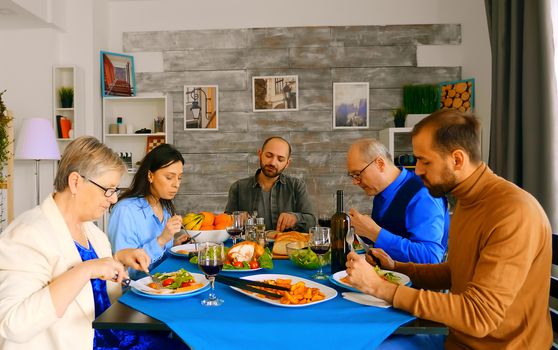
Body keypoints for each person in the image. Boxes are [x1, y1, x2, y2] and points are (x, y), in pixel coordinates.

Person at [344, 110, 552, 349]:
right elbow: (456, 272)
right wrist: (396, 268)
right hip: (455, 339)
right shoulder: (467, 200)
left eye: (425, 161)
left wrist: (381, 287)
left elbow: (479, 315)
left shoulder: (513, 212)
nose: (417, 170)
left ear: (457, 159)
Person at [0, 136, 187, 349]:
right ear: (76, 182)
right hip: (82, 342)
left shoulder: (91, 232)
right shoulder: (25, 236)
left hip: (108, 334)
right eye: (108, 189)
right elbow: (14, 325)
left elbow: (96, 288)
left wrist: (119, 259)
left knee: (184, 338)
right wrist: (85, 270)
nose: (113, 199)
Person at [346, 138, 449, 263]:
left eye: (358, 174)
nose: (355, 182)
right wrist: (363, 229)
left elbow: (431, 257)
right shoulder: (382, 190)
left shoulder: (423, 194)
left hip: (416, 282)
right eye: (352, 176)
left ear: (380, 164)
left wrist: (374, 232)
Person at [108, 143, 188, 279]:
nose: (176, 184)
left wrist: (173, 246)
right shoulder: (125, 211)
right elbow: (124, 269)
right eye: (169, 177)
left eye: (179, 177)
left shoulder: (165, 209)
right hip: (135, 293)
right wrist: (162, 240)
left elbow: (159, 262)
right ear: (150, 176)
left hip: (163, 286)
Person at [225, 136, 315, 232]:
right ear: (260, 154)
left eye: (280, 159)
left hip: (286, 245)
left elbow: (311, 222)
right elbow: (223, 223)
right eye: (268, 155)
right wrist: (234, 219)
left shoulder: (297, 186)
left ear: (287, 163)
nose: (272, 162)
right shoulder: (238, 187)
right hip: (250, 245)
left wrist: (295, 218)